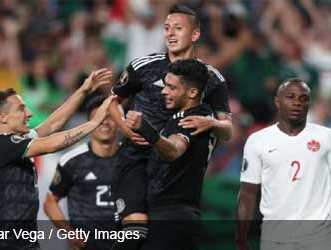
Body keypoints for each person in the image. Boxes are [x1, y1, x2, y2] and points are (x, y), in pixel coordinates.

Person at [109, 4, 232, 248]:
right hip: (135, 160)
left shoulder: (211, 79)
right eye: (166, 28)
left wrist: (210, 122)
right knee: (136, 233)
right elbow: (113, 102)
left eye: (178, 28)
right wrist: (125, 129)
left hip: (175, 172)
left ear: (195, 34)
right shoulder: (143, 66)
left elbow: (228, 130)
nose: (170, 34)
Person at [0, 68, 114, 250]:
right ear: (2, 117)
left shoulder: (6, 145)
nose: (29, 113)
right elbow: (51, 144)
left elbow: (52, 125)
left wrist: (83, 90)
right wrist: (93, 123)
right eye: (21, 109)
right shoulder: (1, 145)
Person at [124, 59, 216, 249]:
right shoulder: (196, 116)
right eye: (165, 85)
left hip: (171, 216)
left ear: (192, 92)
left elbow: (174, 151)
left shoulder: (191, 120)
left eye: (171, 87)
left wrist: (146, 129)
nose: (164, 91)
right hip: (173, 214)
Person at [236, 79, 331, 250]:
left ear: (309, 103)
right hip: (275, 238)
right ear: (277, 102)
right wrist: (241, 237)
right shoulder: (258, 141)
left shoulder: (326, 137)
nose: (297, 103)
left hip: (319, 236)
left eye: (303, 98)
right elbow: (247, 193)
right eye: (290, 97)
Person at [44, 96, 120, 250]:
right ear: (89, 124)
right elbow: (50, 202)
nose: (105, 122)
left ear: (119, 122)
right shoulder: (72, 161)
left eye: (110, 117)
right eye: (98, 118)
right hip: (86, 245)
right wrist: (69, 234)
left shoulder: (132, 158)